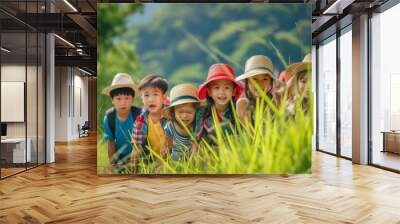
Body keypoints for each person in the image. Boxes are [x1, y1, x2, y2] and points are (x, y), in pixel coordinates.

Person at [102, 73, 141, 174]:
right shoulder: (109, 118)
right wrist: (111, 164)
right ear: (112, 100)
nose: (123, 102)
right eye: (118, 99)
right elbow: (110, 143)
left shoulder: (139, 115)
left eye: (127, 98)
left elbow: (143, 140)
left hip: (139, 156)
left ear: (132, 99)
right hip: (120, 159)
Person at [196, 63, 244, 144]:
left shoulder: (238, 110)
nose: (221, 92)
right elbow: (196, 139)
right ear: (209, 92)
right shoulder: (202, 113)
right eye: (216, 88)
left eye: (227, 88)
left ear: (234, 91)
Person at [131, 75, 169, 167]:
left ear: (164, 97)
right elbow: (137, 146)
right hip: (151, 161)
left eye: (155, 94)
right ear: (142, 98)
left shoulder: (170, 117)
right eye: (146, 95)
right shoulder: (141, 120)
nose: (150, 99)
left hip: (171, 159)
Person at [162, 84, 200, 161]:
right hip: (176, 160)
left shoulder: (197, 126)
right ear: (173, 112)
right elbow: (166, 146)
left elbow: (195, 147)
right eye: (180, 112)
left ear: (196, 112)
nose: (185, 116)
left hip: (192, 159)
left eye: (189, 112)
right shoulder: (170, 126)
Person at [235, 55, 275, 125]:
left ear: (270, 83)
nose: (259, 84)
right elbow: (250, 133)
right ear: (247, 82)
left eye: (265, 79)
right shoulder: (243, 104)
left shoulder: (275, 102)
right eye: (254, 79)